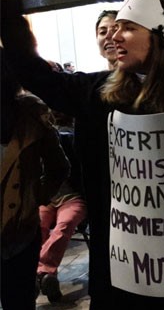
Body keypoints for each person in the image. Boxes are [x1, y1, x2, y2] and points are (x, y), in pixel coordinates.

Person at [0, 0, 164, 308]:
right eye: (114, 28)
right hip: (122, 265)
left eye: (129, 28)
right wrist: (10, 17)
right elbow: (36, 75)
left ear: (159, 37)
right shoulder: (96, 94)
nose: (115, 37)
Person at [0, 47, 70, 310]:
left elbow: (58, 167)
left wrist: (33, 198)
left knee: (19, 303)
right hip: (21, 235)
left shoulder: (31, 115)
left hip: (20, 237)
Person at [35, 61, 87, 303]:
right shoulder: (39, 124)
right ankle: (46, 274)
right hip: (49, 195)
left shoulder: (73, 127)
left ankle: (40, 272)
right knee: (39, 227)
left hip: (73, 196)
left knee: (64, 226)